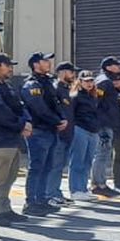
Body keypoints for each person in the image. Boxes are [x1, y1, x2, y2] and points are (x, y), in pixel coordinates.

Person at [0, 54, 31, 225]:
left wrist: (26, 121)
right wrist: (20, 125)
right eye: (7, 65)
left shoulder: (6, 87)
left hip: (12, 139)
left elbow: (20, 106)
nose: (11, 69)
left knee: (9, 177)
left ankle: (4, 208)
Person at [21, 52, 67, 217]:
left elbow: (56, 103)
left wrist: (61, 119)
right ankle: (31, 202)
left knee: (47, 167)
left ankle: (41, 200)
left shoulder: (47, 82)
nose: (48, 63)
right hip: (39, 130)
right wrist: (56, 120)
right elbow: (38, 107)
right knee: (36, 167)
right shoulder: (32, 84)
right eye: (44, 61)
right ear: (35, 64)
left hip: (50, 130)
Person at [92, 56, 120, 197]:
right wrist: (99, 123)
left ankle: (101, 183)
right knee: (102, 154)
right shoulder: (104, 82)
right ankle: (98, 184)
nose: (119, 67)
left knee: (104, 154)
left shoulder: (107, 81)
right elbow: (95, 102)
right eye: (117, 65)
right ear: (108, 67)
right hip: (103, 124)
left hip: (107, 123)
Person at [67, 71, 103, 201]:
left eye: (91, 81)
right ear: (80, 82)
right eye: (86, 81)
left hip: (93, 131)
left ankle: (83, 188)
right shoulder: (75, 96)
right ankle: (75, 189)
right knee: (78, 161)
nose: (89, 83)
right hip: (80, 129)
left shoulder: (93, 96)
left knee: (87, 161)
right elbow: (70, 114)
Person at [48, 62, 78, 204]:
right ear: (62, 72)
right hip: (58, 134)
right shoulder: (55, 89)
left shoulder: (67, 89)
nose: (73, 75)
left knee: (60, 167)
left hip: (68, 133)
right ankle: (50, 194)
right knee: (54, 166)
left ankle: (56, 191)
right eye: (71, 72)